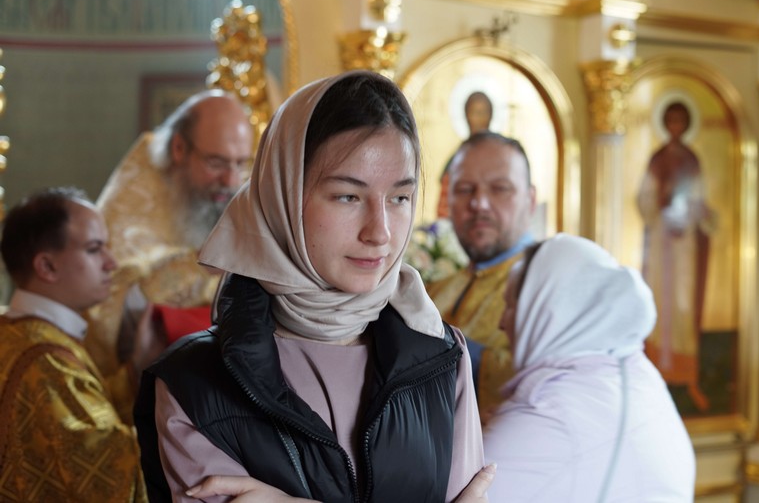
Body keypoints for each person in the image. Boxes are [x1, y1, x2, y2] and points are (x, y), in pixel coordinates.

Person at [134, 70, 484, 503]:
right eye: (347, 196)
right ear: (281, 195)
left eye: (399, 198)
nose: (380, 232)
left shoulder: (441, 356)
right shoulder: (194, 383)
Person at [483, 234, 696, 502]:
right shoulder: (633, 374)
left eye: (512, 306)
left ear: (546, 310)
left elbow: (462, 491)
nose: (501, 324)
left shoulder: (551, 413)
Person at [0, 187, 158, 502]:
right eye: (94, 249)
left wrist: (135, 370)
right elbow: (111, 478)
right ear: (47, 266)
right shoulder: (47, 362)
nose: (112, 262)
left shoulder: (17, 332)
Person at [85, 89, 254, 382]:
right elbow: (109, 302)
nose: (231, 180)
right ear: (179, 148)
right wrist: (198, 268)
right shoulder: (135, 198)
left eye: (240, 163)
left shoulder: (239, 189)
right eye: (216, 163)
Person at [426, 131, 536, 423]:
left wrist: (438, 352)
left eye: (500, 188)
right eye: (464, 189)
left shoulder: (547, 286)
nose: (479, 203)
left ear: (531, 200)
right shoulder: (431, 291)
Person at [636, 100, 715, 412]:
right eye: (671, 120)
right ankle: (656, 370)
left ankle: (686, 376)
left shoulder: (692, 161)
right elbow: (644, 199)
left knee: (682, 304)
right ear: (666, 123)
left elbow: (701, 201)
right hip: (660, 243)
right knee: (660, 301)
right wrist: (659, 203)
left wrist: (692, 216)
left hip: (684, 246)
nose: (676, 126)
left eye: (681, 121)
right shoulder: (657, 160)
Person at [437, 91, 494, 219]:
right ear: (466, 116)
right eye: (474, 112)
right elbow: (444, 207)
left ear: (491, 116)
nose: (478, 119)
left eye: (483, 112)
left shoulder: (499, 158)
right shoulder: (458, 159)